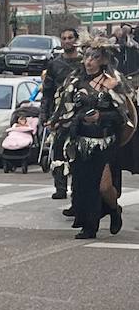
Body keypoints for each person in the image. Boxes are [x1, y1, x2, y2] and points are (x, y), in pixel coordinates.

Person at [65, 42, 133, 239]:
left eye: (94, 57)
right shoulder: (75, 81)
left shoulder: (113, 82)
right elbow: (66, 109)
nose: (89, 62)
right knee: (83, 184)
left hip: (105, 142)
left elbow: (124, 115)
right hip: (81, 141)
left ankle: (114, 210)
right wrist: (57, 122)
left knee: (103, 186)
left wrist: (101, 117)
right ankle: (89, 226)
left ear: (103, 59)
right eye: (86, 56)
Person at [41, 27, 84, 200]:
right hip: (59, 115)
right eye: (64, 38)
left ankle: (76, 191)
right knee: (58, 151)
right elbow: (47, 92)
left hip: (80, 114)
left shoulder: (84, 62)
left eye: (70, 38)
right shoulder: (54, 64)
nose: (67, 41)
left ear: (76, 40)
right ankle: (60, 188)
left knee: (77, 155)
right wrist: (44, 114)